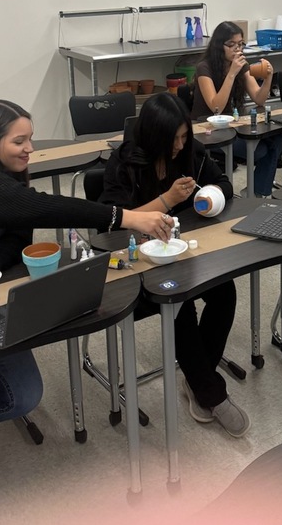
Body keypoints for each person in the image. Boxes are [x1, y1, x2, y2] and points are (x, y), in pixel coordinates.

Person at [0, 99, 174, 474]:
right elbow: (43, 209)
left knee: (25, 396)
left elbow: (17, 234)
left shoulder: (4, 177)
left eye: (30, 139)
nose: (30, 149)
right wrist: (128, 218)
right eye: (19, 141)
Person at [101, 93, 249, 437]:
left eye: (185, 137)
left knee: (224, 292)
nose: (181, 146)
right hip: (139, 260)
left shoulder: (189, 153)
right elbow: (111, 223)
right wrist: (168, 199)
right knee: (181, 306)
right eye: (174, 139)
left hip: (184, 250)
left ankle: (198, 381)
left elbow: (223, 184)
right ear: (153, 136)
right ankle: (211, 393)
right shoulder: (124, 163)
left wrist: (205, 199)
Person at [191, 21, 280, 197]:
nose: (237, 49)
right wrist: (231, 73)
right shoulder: (205, 68)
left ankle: (256, 192)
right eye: (231, 45)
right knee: (260, 150)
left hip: (232, 124)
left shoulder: (241, 65)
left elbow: (259, 98)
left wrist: (268, 77)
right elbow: (216, 107)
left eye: (240, 44)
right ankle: (250, 191)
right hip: (206, 129)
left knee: (277, 136)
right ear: (219, 46)